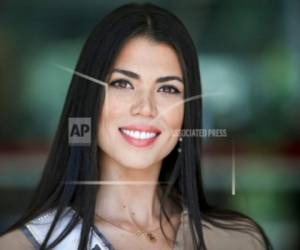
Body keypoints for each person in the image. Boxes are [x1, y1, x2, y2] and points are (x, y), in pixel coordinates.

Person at [0, 3, 272, 250]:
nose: (146, 108)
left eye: (168, 88)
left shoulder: (238, 241)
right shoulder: (21, 246)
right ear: (89, 101)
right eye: (122, 83)